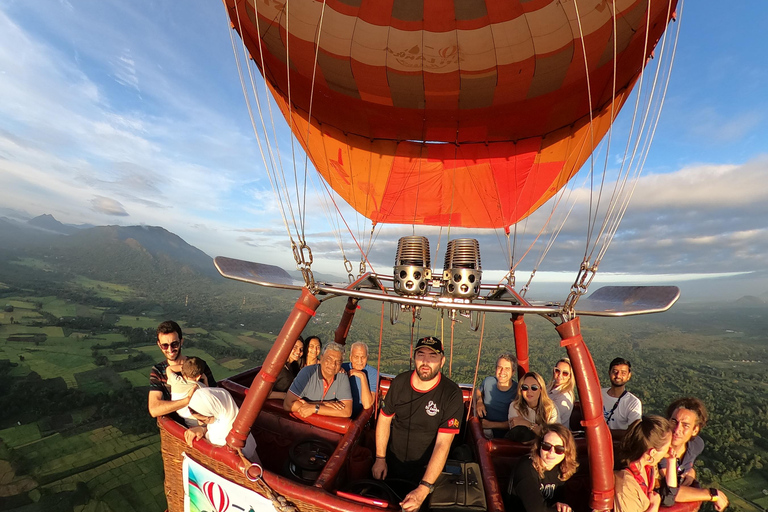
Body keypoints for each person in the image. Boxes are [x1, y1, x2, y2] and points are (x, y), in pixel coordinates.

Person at [372, 336, 464, 512]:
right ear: (414, 357)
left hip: (426, 471)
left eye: (432, 356)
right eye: (421, 355)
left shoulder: (451, 394)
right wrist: (380, 458)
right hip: (391, 464)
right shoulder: (399, 383)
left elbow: (443, 443)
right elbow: (384, 419)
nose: (425, 361)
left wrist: (424, 487)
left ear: (442, 361)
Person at [658, 397, 728, 509]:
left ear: (695, 430)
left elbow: (687, 462)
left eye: (685, 425)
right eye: (674, 421)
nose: (677, 430)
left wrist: (690, 471)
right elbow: (672, 491)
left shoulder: (696, 445)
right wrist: (712, 494)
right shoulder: (659, 450)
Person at [148, 320, 216, 421]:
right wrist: (187, 400)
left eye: (174, 344)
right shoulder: (158, 371)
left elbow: (216, 399)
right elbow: (154, 409)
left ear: (181, 341)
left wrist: (203, 428)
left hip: (204, 425)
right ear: (159, 345)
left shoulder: (198, 365)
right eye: (165, 345)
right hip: (177, 429)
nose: (170, 349)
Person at [505, 423, 579, 512]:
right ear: (539, 446)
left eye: (559, 449)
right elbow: (536, 510)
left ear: (567, 451)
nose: (551, 452)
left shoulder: (561, 468)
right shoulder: (526, 468)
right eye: (546, 446)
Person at [614, 416, 676, 512]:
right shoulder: (625, 484)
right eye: (667, 447)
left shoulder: (648, 467)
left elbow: (669, 498)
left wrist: (671, 461)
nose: (670, 449)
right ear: (653, 453)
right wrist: (654, 507)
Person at [184, 387, 259, 462]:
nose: (200, 423)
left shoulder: (226, 433)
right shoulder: (227, 417)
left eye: (203, 419)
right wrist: (202, 429)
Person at [284, 342, 353, 418]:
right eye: (329, 359)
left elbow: (347, 412)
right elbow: (288, 404)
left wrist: (314, 408)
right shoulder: (307, 373)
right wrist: (325, 405)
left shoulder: (342, 376)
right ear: (322, 358)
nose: (333, 364)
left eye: (338, 362)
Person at [475, 352, 518, 438]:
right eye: (500, 367)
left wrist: (490, 424)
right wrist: (479, 401)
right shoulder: (488, 381)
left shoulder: (517, 391)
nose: (502, 372)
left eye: (507, 369)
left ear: (513, 372)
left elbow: (516, 422)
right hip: (484, 431)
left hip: (506, 436)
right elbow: (478, 391)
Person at [508, 372, 559, 442]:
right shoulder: (515, 406)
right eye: (525, 387)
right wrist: (540, 431)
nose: (529, 391)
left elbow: (553, 436)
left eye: (534, 388)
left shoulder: (550, 408)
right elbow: (518, 434)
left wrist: (528, 424)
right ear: (521, 390)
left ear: (541, 389)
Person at [602, 357, 642, 431]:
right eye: (615, 372)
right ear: (609, 373)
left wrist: (605, 433)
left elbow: (633, 431)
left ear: (628, 376)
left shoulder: (633, 402)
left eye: (623, 373)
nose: (618, 376)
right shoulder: (598, 395)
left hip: (618, 442)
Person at [166, 356, 209, 424]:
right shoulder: (199, 386)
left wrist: (185, 368)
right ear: (198, 377)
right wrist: (205, 379)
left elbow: (169, 368)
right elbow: (208, 394)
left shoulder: (176, 381)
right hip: (192, 416)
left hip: (181, 412)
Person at [341, 341, 379, 416]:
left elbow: (367, 404)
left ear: (367, 357)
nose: (360, 361)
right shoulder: (343, 368)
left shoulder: (373, 373)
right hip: (341, 412)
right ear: (350, 357)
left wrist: (362, 376)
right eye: (356, 357)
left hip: (359, 416)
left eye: (363, 357)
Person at [547, 358, 575, 428]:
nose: (560, 375)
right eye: (557, 371)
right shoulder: (549, 387)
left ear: (570, 376)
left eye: (565, 373)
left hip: (555, 433)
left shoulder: (564, 397)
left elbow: (551, 419)